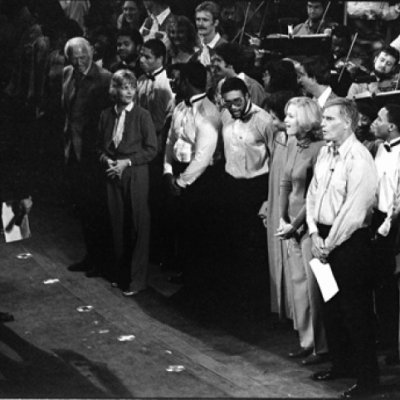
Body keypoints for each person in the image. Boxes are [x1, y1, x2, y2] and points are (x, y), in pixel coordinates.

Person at [306, 98, 379, 398]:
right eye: (323, 118)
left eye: (330, 119)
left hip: (348, 243)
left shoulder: (359, 158)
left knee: (355, 311)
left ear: (347, 122)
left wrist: (329, 243)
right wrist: (313, 233)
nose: (323, 124)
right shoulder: (325, 153)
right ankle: (342, 364)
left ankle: (368, 381)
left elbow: (355, 209)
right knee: (331, 308)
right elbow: (313, 195)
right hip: (323, 237)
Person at [277, 97, 327, 365]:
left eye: (292, 116)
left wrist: (294, 224)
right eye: (286, 115)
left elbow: (313, 194)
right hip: (291, 226)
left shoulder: (320, 149)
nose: (286, 120)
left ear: (306, 121)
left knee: (314, 289)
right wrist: (282, 217)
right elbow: (286, 182)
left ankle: (322, 346)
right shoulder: (293, 142)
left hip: (309, 226)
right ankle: (306, 342)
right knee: (298, 287)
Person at [98, 69, 157, 296]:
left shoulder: (143, 115)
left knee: (137, 225)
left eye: (132, 87)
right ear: (115, 90)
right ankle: (121, 275)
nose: (129, 91)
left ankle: (137, 280)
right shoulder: (106, 115)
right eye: (124, 87)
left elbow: (152, 149)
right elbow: (98, 147)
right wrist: (108, 161)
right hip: (112, 174)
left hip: (136, 174)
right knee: (117, 225)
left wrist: (127, 162)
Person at [162, 62, 220, 283]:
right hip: (176, 171)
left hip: (197, 178)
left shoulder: (208, 112)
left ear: (186, 81)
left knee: (193, 228)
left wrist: (181, 182)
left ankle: (193, 277)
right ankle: (182, 271)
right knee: (178, 225)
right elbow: (170, 141)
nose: (175, 83)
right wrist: (167, 171)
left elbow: (203, 157)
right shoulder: (179, 107)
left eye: (178, 79)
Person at [62, 37, 112, 277]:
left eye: (85, 57)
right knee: (83, 208)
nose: (80, 62)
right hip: (73, 150)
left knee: (97, 209)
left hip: (94, 154)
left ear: (92, 52)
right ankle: (90, 256)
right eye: (76, 57)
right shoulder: (67, 74)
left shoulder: (105, 79)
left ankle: (102, 260)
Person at [220, 77, 273, 300]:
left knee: (255, 246)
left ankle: (258, 298)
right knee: (234, 242)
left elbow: (277, 160)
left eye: (237, 102)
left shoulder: (264, 120)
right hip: (232, 186)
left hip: (257, 187)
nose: (233, 107)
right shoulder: (225, 115)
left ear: (248, 97)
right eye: (228, 103)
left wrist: (269, 198)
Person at [370, 104, 400, 366]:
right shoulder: (381, 147)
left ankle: (395, 343)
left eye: (379, 119)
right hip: (377, 219)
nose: (373, 123)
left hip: (394, 225)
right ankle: (386, 335)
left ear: (391, 126)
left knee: (392, 283)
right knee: (381, 283)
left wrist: (386, 227)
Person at [262, 91, 296, 319]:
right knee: (275, 254)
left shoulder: (297, 143)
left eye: (274, 118)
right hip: (274, 201)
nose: (271, 122)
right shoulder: (277, 138)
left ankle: (295, 313)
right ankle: (281, 309)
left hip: (290, 206)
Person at [211, 42, 266, 108]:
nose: (214, 64)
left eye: (218, 60)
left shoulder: (253, 87)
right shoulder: (221, 84)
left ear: (230, 62)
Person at [192, 1, 226, 66]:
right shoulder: (194, 47)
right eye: (198, 19)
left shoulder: (225, 47)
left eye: (205, 20)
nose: (200, 24)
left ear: (216, 23)